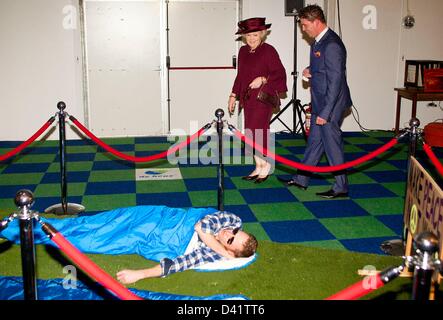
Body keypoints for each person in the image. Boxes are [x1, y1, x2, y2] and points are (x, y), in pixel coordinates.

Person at [278, 5, 353, 199]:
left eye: (305, 25)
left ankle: (341, 187)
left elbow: (336, 82)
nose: (303, 29)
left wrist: (326, 113)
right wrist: (309, 70)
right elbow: (324, 68)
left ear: (316, 22)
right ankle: (302, 178)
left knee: (332, 144)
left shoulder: (332, 44)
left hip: (331, 103)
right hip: (321, 101)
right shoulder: (318, 43)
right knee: (314, 142)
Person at [116, 211, 258, 284]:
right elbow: (200, 226)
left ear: (230, 250)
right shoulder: (233, 221)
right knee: (129, 217)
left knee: (123, 236)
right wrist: (223, 251)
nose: (229, 232)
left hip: (170, 237)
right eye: (236, 232)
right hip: (172, 218)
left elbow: (178, 264)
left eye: (230, 240)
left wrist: (140, 274)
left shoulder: (210, 255)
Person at [228, 17, 287, 184]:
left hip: (263, 98)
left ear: (262, 34)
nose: (251, 39)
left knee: (259, 131)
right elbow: (240, 76)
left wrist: (263, 79)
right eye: (248, 35)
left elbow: (279, 73)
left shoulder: (269, 51)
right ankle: (258, 165)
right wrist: (233, 95)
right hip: (248, 99)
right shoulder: (243, 52)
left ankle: (266, 165)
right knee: (250, 132)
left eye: (254, 35)